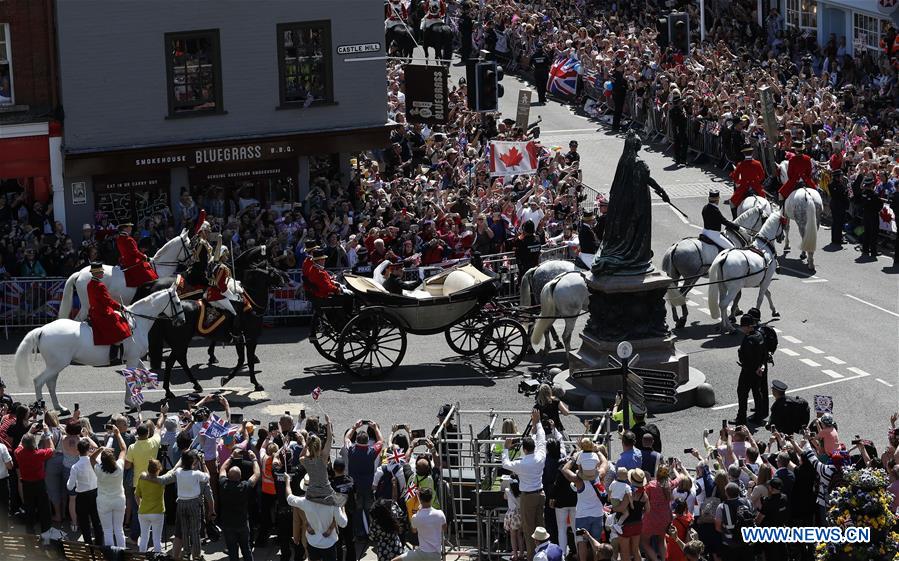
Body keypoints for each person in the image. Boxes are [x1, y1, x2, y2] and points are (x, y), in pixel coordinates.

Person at [593, 133, 670, 275]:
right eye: (639, 142)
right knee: (636, 231)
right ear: (635, 145)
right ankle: (635, 255)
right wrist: (662, 191)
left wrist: (661, 191)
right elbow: (646, 181)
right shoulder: (639, 163)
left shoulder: (623, 161)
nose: (641, 144)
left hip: (622, 203)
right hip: (636, 203)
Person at [501, 409, 546, 561]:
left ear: (524, 450)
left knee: (528, 530)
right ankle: (543, 554)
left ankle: (533, 557)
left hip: (528, 497)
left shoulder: (521, 464)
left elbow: (505, 464)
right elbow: (542, 438)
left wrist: (506, 448)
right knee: (541, 527)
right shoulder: (540, 456)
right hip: (540, 494)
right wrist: (537, 422)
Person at [286, 472, 348, 561]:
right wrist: (343, 509)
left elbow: (289, 498)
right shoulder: (333, 502)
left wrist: (287, 481)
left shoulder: (304, 502)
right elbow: (343, 523)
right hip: (329, 544)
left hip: (313, 543)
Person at [86, 262, 132, 365]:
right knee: (121, 329)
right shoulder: (100, 285)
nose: (102, 273)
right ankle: (113, 357)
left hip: (94, 311)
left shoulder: (90, 284)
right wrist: (120, 306)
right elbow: (108, 301)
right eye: (101, 272)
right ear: (97, 273)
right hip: (102, 313)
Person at [219, 451, 261, 561]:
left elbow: (222, 469)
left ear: (228, 476)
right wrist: (254, 459)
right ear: (240, 477)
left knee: (232, 552)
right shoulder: (244, 486)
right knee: (246, 550)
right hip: (242, 523)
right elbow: (256, 474)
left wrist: (231, 456)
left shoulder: (223, 484)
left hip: (228, 524)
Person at [16, 429, 55, 538]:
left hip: (27, 485)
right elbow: (52, 449)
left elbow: (20, 444)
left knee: (29, 509)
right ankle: (46, 534)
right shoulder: (39, 454)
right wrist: (47, 433)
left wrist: (29, 431)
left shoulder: (18, 453)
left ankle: (30, 533)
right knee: (44, 510)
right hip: (39, 485)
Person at [66, 437, 103, 546]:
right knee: (97, 521)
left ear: (78, 450)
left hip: (82, 497)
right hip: (95, 493)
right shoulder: (97, 461)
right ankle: (99, 544)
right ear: (88, 449)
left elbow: (69, 486)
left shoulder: (75, 467)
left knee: (84, 523)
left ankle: (88, 545)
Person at [95, 428, 127, 548]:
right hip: (119, 500)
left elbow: (92, 458)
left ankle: (112, 556)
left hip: (104, 502)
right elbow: (124, 449)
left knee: (107, 531)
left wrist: (101, 448)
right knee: (119, 530)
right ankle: (122, 554)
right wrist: (118, 434)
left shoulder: (98, 469)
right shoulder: (119, 466)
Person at [734, 315, 767, 425]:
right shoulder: (759, 336)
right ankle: (759, 416)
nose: (741, 329)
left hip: (748, 371)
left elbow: (747, 358)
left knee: (742, 394)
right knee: (757, 393)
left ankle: (741, 418)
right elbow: (764, 353)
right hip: (758, 370)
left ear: (749, 327)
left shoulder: (749, 339)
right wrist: (761, 366)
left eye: (743, 326)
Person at [715, 482, 753, 561]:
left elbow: (718, 528)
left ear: (726, 493)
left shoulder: (721, 507)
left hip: (729, 545)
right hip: (746, 542)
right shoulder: (748, 502)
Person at [135, 459, 166, 553]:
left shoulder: (142, 479)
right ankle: (158, 557)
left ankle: (141, 557)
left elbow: (136, 495)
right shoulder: (161, 482)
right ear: (158, 470)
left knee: (144, 537)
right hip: (158, 512)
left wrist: (139, 506)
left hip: (143, 512)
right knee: (157, 540)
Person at [755, 477, 789, 561]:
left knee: (772, 555)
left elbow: (759, 519)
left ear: (771, 488)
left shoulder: (768, 501)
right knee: (782, 553)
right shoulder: (784, 497)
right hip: (782, 530)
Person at [116, 221, 158, 287]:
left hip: (125, 261)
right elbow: (135, 252)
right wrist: (145, 258)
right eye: (129, 227)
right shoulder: (129, 239)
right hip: (133, 262)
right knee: (150, 276)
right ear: (124, 228)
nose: (131, 228)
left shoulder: (119, 239)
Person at [728, 146, 766, 218]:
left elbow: (735, 177)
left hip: (744, 187)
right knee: (765, 201)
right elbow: (762, 176)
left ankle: (735, 219)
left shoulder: (740, 164)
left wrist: (740, 182)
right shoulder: (758, 163)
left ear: (744, 154)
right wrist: (756, 181)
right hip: (756, 187)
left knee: (731, 202)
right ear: (752, 153)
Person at [854, 174, 882, 258]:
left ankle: (865, 249)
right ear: (872, 185)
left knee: (866, 232)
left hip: (865, 215)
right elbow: (880, 205)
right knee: (873, 233)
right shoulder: (874, 195)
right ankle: (873, 252)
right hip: (873, 215)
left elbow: (858, 202)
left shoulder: (863, 194)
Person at [514, 220, 542, 287]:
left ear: (524, 230)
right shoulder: (537, 239)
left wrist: (519, 237)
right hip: (535, 270)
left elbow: (517, 254)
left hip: (524, 271)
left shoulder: (521, 242)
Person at [827, 167, 849, 246]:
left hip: (834, 204)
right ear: (837, 177)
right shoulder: (838, 185)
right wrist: (846, 192)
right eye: (840, 176)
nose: (842, 177)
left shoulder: (832, 184)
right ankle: (838, 239)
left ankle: (834, 238)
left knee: (835, 222)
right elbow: (841, 195)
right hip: (839, 205)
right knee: (838, 222)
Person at [669, 91, 689, 166]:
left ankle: (678, 159)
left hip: (680, 129)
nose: (681, 102)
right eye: (680, 101)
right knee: (682, 144)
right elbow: (677, 120)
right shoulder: (675, 111)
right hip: (679, 129)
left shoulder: (680, 109)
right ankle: (682, 160)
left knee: (678, 144)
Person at [611, 59, 628, 131]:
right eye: (620, 66)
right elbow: (619, 85)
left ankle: (616, 125)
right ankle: (615, 126)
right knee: (618, 110)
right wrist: (625, 83)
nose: (622, 68)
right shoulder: (616, 75)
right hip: (618, 94)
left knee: (619, 111)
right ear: (617, 67)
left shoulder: (618, 74)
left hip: (618, 94)